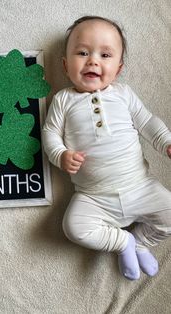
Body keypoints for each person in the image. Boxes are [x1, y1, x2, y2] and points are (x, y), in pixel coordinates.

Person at [42, 16, 171, 280]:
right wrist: (61, 155)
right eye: (82, 52)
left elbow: (147, 122)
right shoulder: (63, 99)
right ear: (66, 65)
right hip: (93, 196)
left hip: (140, 186)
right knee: (73, 227)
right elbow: (50, 134)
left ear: (119, 68)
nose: (93, 60)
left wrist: (166, 142)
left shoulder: (123, 94)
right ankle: (122, 242)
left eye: (105, 54)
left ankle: (141, 241)